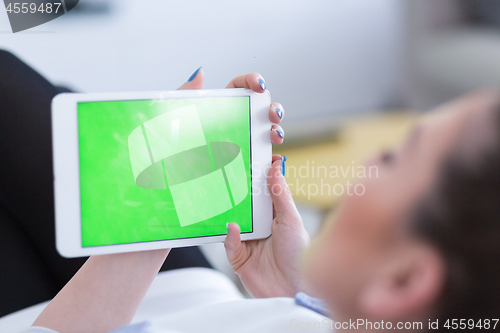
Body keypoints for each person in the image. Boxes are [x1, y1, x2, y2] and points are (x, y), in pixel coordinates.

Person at [10, 56, 500, 331]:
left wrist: (153, 218)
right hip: (191, 299)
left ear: (404, 281)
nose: (371, 162)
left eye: (395, 159)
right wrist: (301, 292)